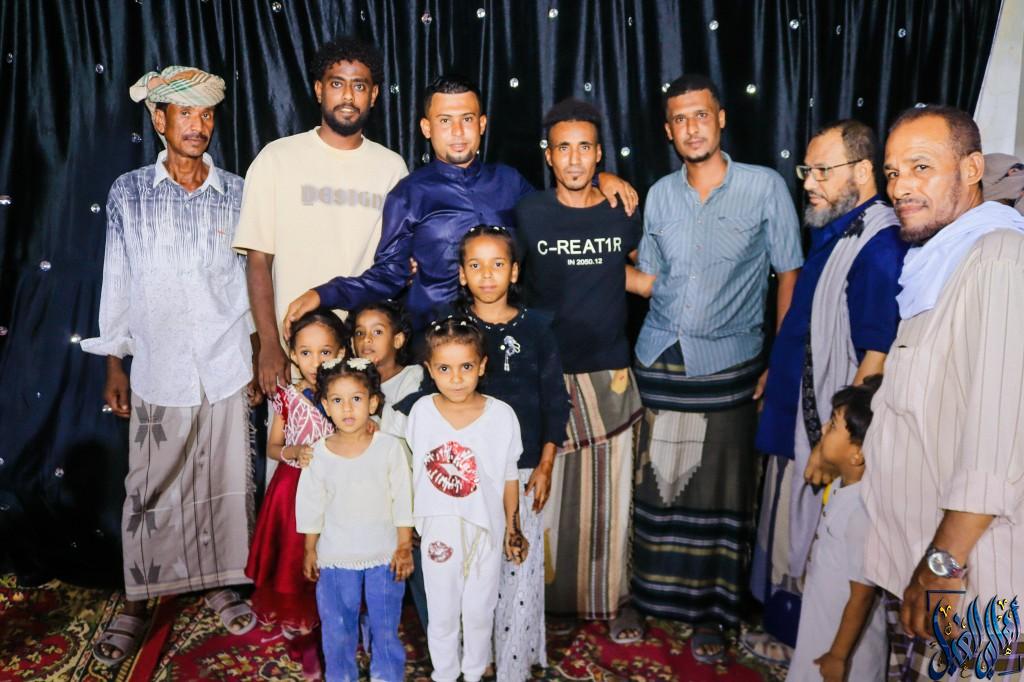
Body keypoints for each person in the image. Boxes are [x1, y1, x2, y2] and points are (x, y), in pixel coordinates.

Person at [82, 66, 257, 665]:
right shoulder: (130, 193)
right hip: (160, 365)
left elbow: (249, 282)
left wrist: (259, 354)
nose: (198, 125)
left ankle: (219, 583)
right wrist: (114, 362)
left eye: (207, 114)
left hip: (226, 362)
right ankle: (139, 597)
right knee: (150, 486)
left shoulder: (236, 192)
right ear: (160, 120)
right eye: (186, 114)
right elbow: (117, 279)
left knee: (222, 482)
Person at [629, 74, 803, 663]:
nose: (691, 128)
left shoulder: (764, 187)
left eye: (700, 115)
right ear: (668, 130)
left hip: (728, 365)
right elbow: (650, 276)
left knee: (720, 498)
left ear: (721, 118)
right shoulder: (659, 195)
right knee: (654, 489)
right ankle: (648, 597)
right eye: (680, 119)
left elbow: (789, 272)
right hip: (658, 359)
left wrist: (780, 361)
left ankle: (713, 612)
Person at [860, 105, 1024, 679]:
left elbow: (995, 446)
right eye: (892, 171)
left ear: (972, 169)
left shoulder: (999, 258)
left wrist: (941, 566)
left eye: (921, 167)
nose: (901, 186)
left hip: (978, 580)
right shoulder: (939, 262)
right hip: (932, 570)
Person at [284, 74, 638, 332]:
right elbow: (388, 276)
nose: (457, 132)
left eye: (467, 119)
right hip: (435, 347)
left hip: (508, 342)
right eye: (445, 121)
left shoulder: (509, 182)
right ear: (427, 128)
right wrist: (323, 294)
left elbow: (559, 210)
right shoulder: (408, 194)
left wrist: (598, 179)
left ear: (482, 124)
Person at [747, 120, 907, 657]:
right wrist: (777, 369)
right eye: (806, 170)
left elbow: (875, 357)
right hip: (793, 409)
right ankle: (787, 638)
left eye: (822, 171)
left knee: (820, 545)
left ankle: (812, 651)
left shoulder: (878, 247)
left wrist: (832, 444)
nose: (809, 182)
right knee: (787, 535)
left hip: (824, 433)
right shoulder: (838, 229)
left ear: (862, 171)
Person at [513, 98, 644, 641]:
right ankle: (550, 604)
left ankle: (613, 598)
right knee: (551, 497)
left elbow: (639, 274)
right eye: (563, 148)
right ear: (548, 156)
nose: (573, 159)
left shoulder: (622, 209)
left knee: (611, 497)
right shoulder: (528, 213)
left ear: (598, 154)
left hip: (610, 374)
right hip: (548, 374)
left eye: (584, 147)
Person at [232, 35, 408, 398]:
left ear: (374, 94)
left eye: (359, 86)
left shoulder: (391, 168)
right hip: (297, 358)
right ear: (318, 90)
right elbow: (258, 260)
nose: (348, 96)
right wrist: (268, 344)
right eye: (337, 84)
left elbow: (393, 268)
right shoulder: (276, 158)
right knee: (289, 437)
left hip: (363, 360)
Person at [455, 225, 570, 680]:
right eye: (476, 265)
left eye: (498, 264)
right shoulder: (453, 330)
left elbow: (555, 400)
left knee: (518, 565)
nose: (487, 275)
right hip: (469, 473)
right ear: (462, 274)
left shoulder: (538, 329)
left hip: (523, 471)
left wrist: (545, 465)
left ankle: (515, 664)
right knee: (473, 570)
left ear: (515, 271)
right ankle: (476, 659)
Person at [405, 317, 528, 682]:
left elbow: (509, 477)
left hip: (485, 531)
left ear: (482, 366)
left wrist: (513, 528)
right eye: (444, 368)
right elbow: (411, 470)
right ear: (430, 369)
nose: (456, 378)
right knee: (442, 614)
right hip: (439, 529)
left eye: (466, 367)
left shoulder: (501, 416)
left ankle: (474, 673)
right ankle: (444, 674)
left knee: (478, 612)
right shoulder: (421, 412)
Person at [244, 310, 349, 672]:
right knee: (296, 561)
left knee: (334, 561)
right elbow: (273, 447)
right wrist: (293, 452)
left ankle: (335, 629)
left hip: (338, 491)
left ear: (341, 352)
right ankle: (303, 636)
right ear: (292, 354)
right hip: (293, 492)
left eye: (325, 352)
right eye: (305, 352)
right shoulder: (287, 396)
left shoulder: (347, 393)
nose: (315, 362)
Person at [297, 357, 414, 682]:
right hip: (336, 559)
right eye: (337, 400)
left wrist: (404, 546)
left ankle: (387, 676)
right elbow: (311, 505)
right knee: (338, 630)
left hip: (385, 557)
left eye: (357, 399)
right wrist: (310, 549)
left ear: (373, 403)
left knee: (385, 628)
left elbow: (403, 498)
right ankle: (341, 676)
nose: (347, 408)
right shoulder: (318, 453)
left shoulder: (388, 448)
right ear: (325, 405)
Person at [786, 377, 886, 682]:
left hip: (847, 651)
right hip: (823, 627)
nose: (824, 430)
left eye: (833, 426)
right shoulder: (843, 488)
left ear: (858, 453)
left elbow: (861, 596)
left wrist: (839, 656)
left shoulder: (862, 512)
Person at [351, 299, 422, 437]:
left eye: (377, 332)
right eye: (360, 333)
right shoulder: (350, 380)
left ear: (397, 340)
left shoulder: (413, 376)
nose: (366, 339)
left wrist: (374, 416)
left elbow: (409, 424)